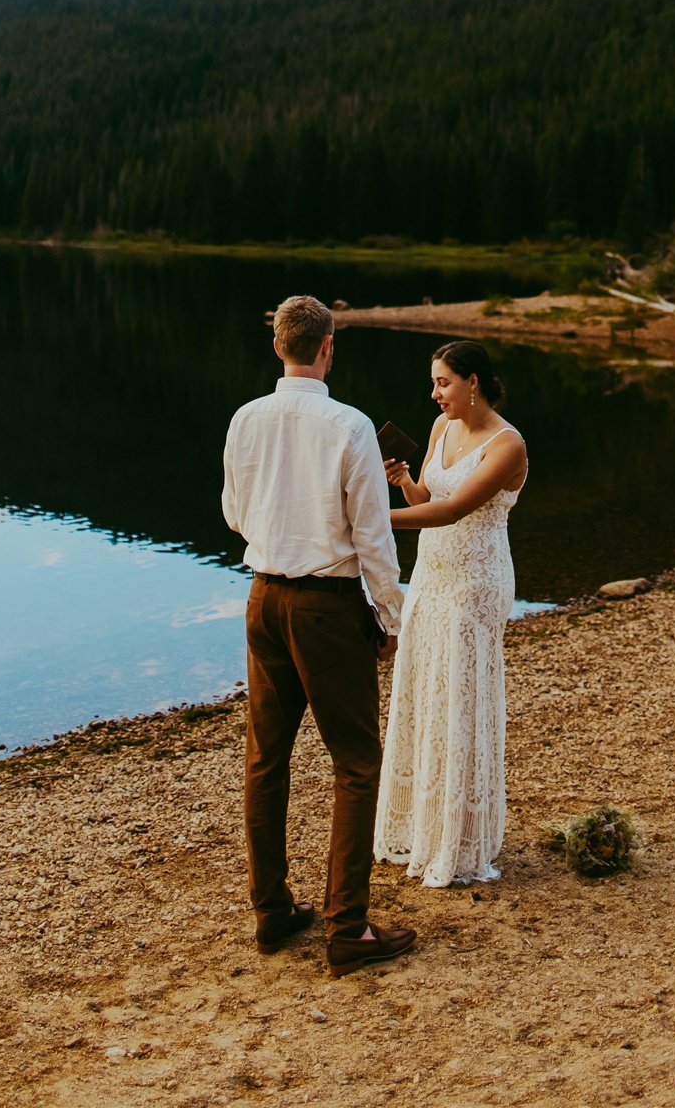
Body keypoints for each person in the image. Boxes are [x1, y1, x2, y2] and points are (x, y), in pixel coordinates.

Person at [222, 293, 417, 976]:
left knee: (265, 760)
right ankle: (346, 928)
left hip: (262, 599)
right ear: (327, 348)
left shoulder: (246, 418)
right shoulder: (349, 425)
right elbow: (371, 536)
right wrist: (391, 619)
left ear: (277, 346)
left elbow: (234, 514)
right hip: (326, 610)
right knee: (356, 763)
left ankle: (272, 913)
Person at [373, 338, 527, 887]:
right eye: (434, 382)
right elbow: (428, 503)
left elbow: (457, 510)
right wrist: (405, 484)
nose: (434, 393)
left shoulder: (507, 446)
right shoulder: (441, 429)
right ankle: (423, 828)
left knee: (460, 699)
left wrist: (366, 519)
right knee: (424, 693)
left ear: (473, 383)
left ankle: (461, 840)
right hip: (431, 577)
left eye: (442, 382)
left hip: (475, 583)